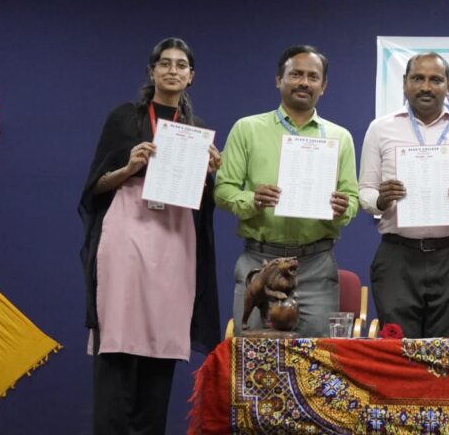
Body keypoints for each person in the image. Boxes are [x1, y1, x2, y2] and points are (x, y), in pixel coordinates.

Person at [78, 37, 221, 434]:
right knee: (118, 343)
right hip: (126, 234)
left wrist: (210, 174)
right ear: (152, 71)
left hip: (174, 239)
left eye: (181, 65)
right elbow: (94, 187)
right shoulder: (125, 118)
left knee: (161, 346)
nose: (173, 70)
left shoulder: (194, 131)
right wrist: (128, 168)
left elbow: (201, 202)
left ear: (191, 76)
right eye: (165, 63)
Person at [215, 45, 359, 337]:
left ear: (324, 86)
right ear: (278, 80)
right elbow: (223, 190)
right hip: (260, 263)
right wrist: (253, 200)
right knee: (254, 355)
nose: (304, 82)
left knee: (318, 356)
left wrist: (343, 209)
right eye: (296, 74)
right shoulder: (247, 129)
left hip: (316, 265)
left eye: (313, 77)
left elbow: (352, 198)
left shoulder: (339, 137)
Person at [358, 52, 449, 338]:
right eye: (417, 79)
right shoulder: (380, 129)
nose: (426, 87)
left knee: (447, 352)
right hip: (397, 256)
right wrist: (381, 201)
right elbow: (365, 191)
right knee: (398, 351)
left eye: (435, 80)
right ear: (404, 83)